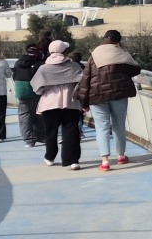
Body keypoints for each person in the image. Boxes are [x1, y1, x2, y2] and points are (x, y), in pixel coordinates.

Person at [77, 29, 141, 172]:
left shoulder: (94, 54)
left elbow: (86, 77)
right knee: (119, 125)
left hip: (96, 95)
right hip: (119, 94)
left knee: (101, 128)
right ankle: (121, 156)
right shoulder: (121, 53)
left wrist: (83, 100)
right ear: (118, 41)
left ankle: (105, 161)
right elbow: (136, 70)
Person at [32, 40, 86, 169]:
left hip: (49, 104)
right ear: (64, 52)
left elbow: (37, 88)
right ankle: (72, 160)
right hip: (70, 103)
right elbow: (82, 83)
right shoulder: (74, 66)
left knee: (51, 132)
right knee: (71, 131)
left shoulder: (44, 68)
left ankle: (50, 157)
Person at [11, 42, 47, 146]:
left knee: (24, 114)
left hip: (20, 89)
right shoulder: (39, 63)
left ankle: (28, 139)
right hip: (34, 89)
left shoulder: (19, 62)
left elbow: (14, 74)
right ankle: (41, 136)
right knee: (38, 113)